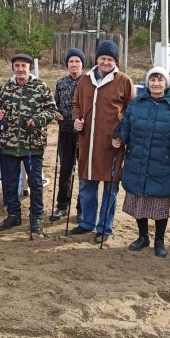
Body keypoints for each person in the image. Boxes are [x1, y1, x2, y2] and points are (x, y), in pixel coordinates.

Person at [113, 67, 170, 257]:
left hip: (162, 161)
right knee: (138, 201)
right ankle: (142, 237)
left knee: (159, 204)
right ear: (147, 83)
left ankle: (159, 240)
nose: (156, 83)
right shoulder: (137, 103)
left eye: (160, 80)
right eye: (152, 80)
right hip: (138, 159)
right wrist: (120, 137)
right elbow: (126, 125)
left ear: (166, 83)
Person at [71, 40, 134, 244]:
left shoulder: (124, 80)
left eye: (110, 59)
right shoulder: (85, 80)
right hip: (87, 143)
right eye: (102, 58)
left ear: (115, 61)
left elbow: (132, 112)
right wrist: (77, 119)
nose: (105, 62)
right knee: (86, 185)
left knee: (110, 187)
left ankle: (104, 226)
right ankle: (87, 222)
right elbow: (76, 104)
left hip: (111, 145)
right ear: (96, 59)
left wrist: (122, 135)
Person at [0, 53, 58, 235]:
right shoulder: (5, 88)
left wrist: (37, 119)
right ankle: (13, 214)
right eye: (17, 66)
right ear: (13, 68)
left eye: (24, 66)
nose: (20, 69)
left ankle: (36, 217)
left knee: (35, 183)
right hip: (9, 144)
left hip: (32, 144)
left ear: (29, 68)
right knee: (9, 183)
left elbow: (52, 110)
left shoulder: (41, 87)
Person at [50, 48, 85, 221]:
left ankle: (82, 207)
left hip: (84, 135)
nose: (74, 64)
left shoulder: (89, 82)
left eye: (77, 61)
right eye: (71, 61)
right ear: (67, 64)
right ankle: (62, 205)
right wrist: (55, 113)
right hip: (65, 133)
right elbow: (53, 105)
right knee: (65, 171)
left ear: (82, 64)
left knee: (84, 172)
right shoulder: (61, 83)